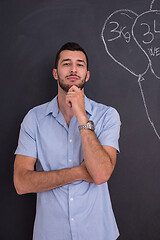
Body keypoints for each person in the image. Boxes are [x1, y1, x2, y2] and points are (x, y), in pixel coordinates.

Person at [14, 42, 121, 240]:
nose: (73, 69)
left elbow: (101, 174)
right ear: (55, 73)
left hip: (97, 233)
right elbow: (21, 183)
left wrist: (81, 115)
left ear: (87, 74)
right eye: (66, 63)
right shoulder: (34, 119)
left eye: (80, 64)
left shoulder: (107, 115)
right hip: (50, 234)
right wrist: (79, 172)